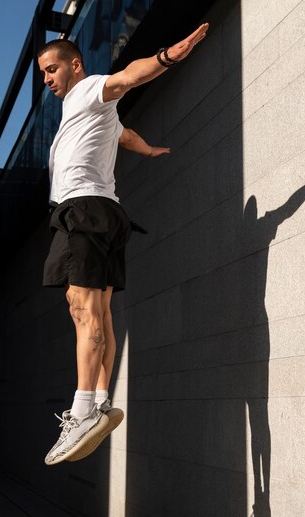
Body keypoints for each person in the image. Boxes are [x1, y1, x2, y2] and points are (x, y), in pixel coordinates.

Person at [37, 23, 209, 465]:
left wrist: (168, 56)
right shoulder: (93, 114)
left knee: (82, 307)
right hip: (107, 214)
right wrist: (147, 149)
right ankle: (98, 402)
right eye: (44, 73)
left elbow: (127, 76)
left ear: (74, 65)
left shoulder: (90, 89)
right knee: (101, 313)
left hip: (84, 211)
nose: (47, 79)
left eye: (51, 69)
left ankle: (82, 413)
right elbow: (122, 135)